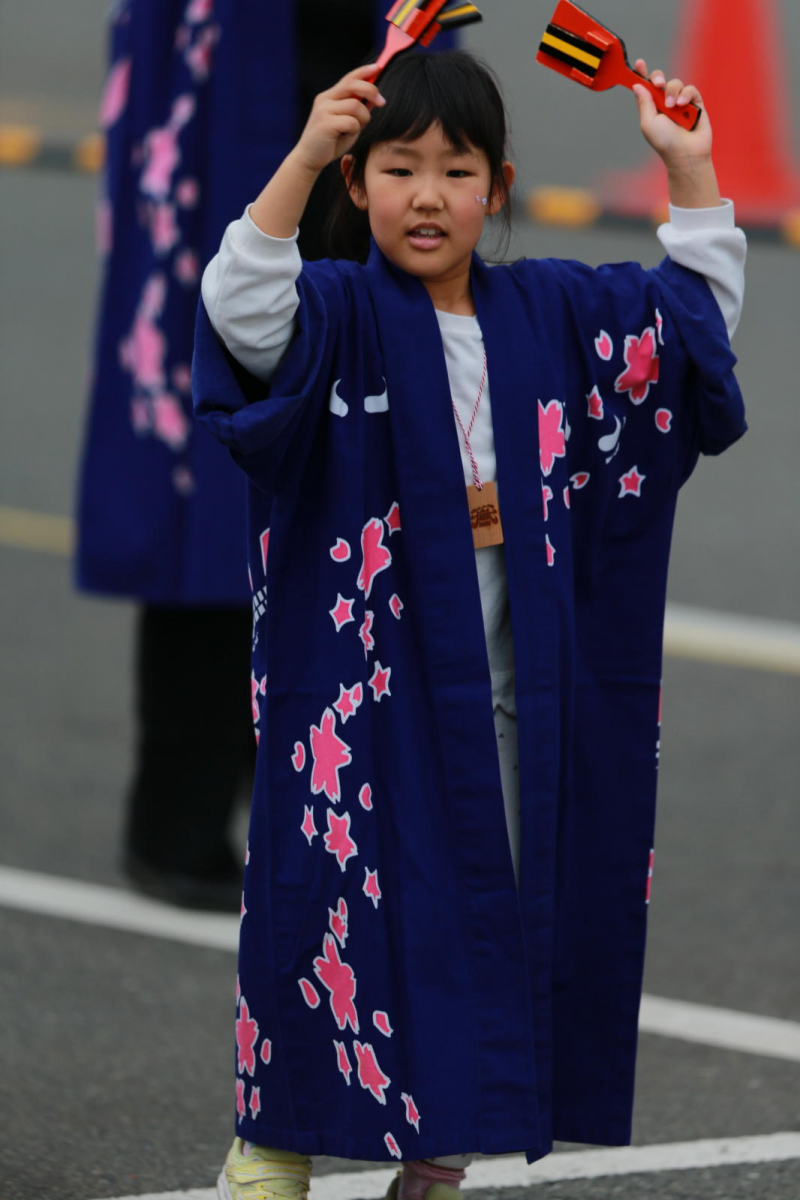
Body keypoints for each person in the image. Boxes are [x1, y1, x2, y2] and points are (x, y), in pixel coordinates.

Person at [193, 48, 746, 1200]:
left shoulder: (548, 311)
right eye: (398, 169)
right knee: (321, 922)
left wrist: (688, 171)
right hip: (355, 703)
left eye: (457, 170)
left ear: (498, 187)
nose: (428, 194)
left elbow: (685, 328)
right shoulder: (334, 310)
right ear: (359, 186)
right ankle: (272, 1145)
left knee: (484, 922)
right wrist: (301, 150)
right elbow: (242, 308)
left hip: (498, 700)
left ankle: (433, 1165)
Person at [75, 0, 384, 911]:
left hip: (356, 164)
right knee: (210, 499)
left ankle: (305, 810)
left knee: (348, 500)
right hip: (221, 157)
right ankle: (178, 820)